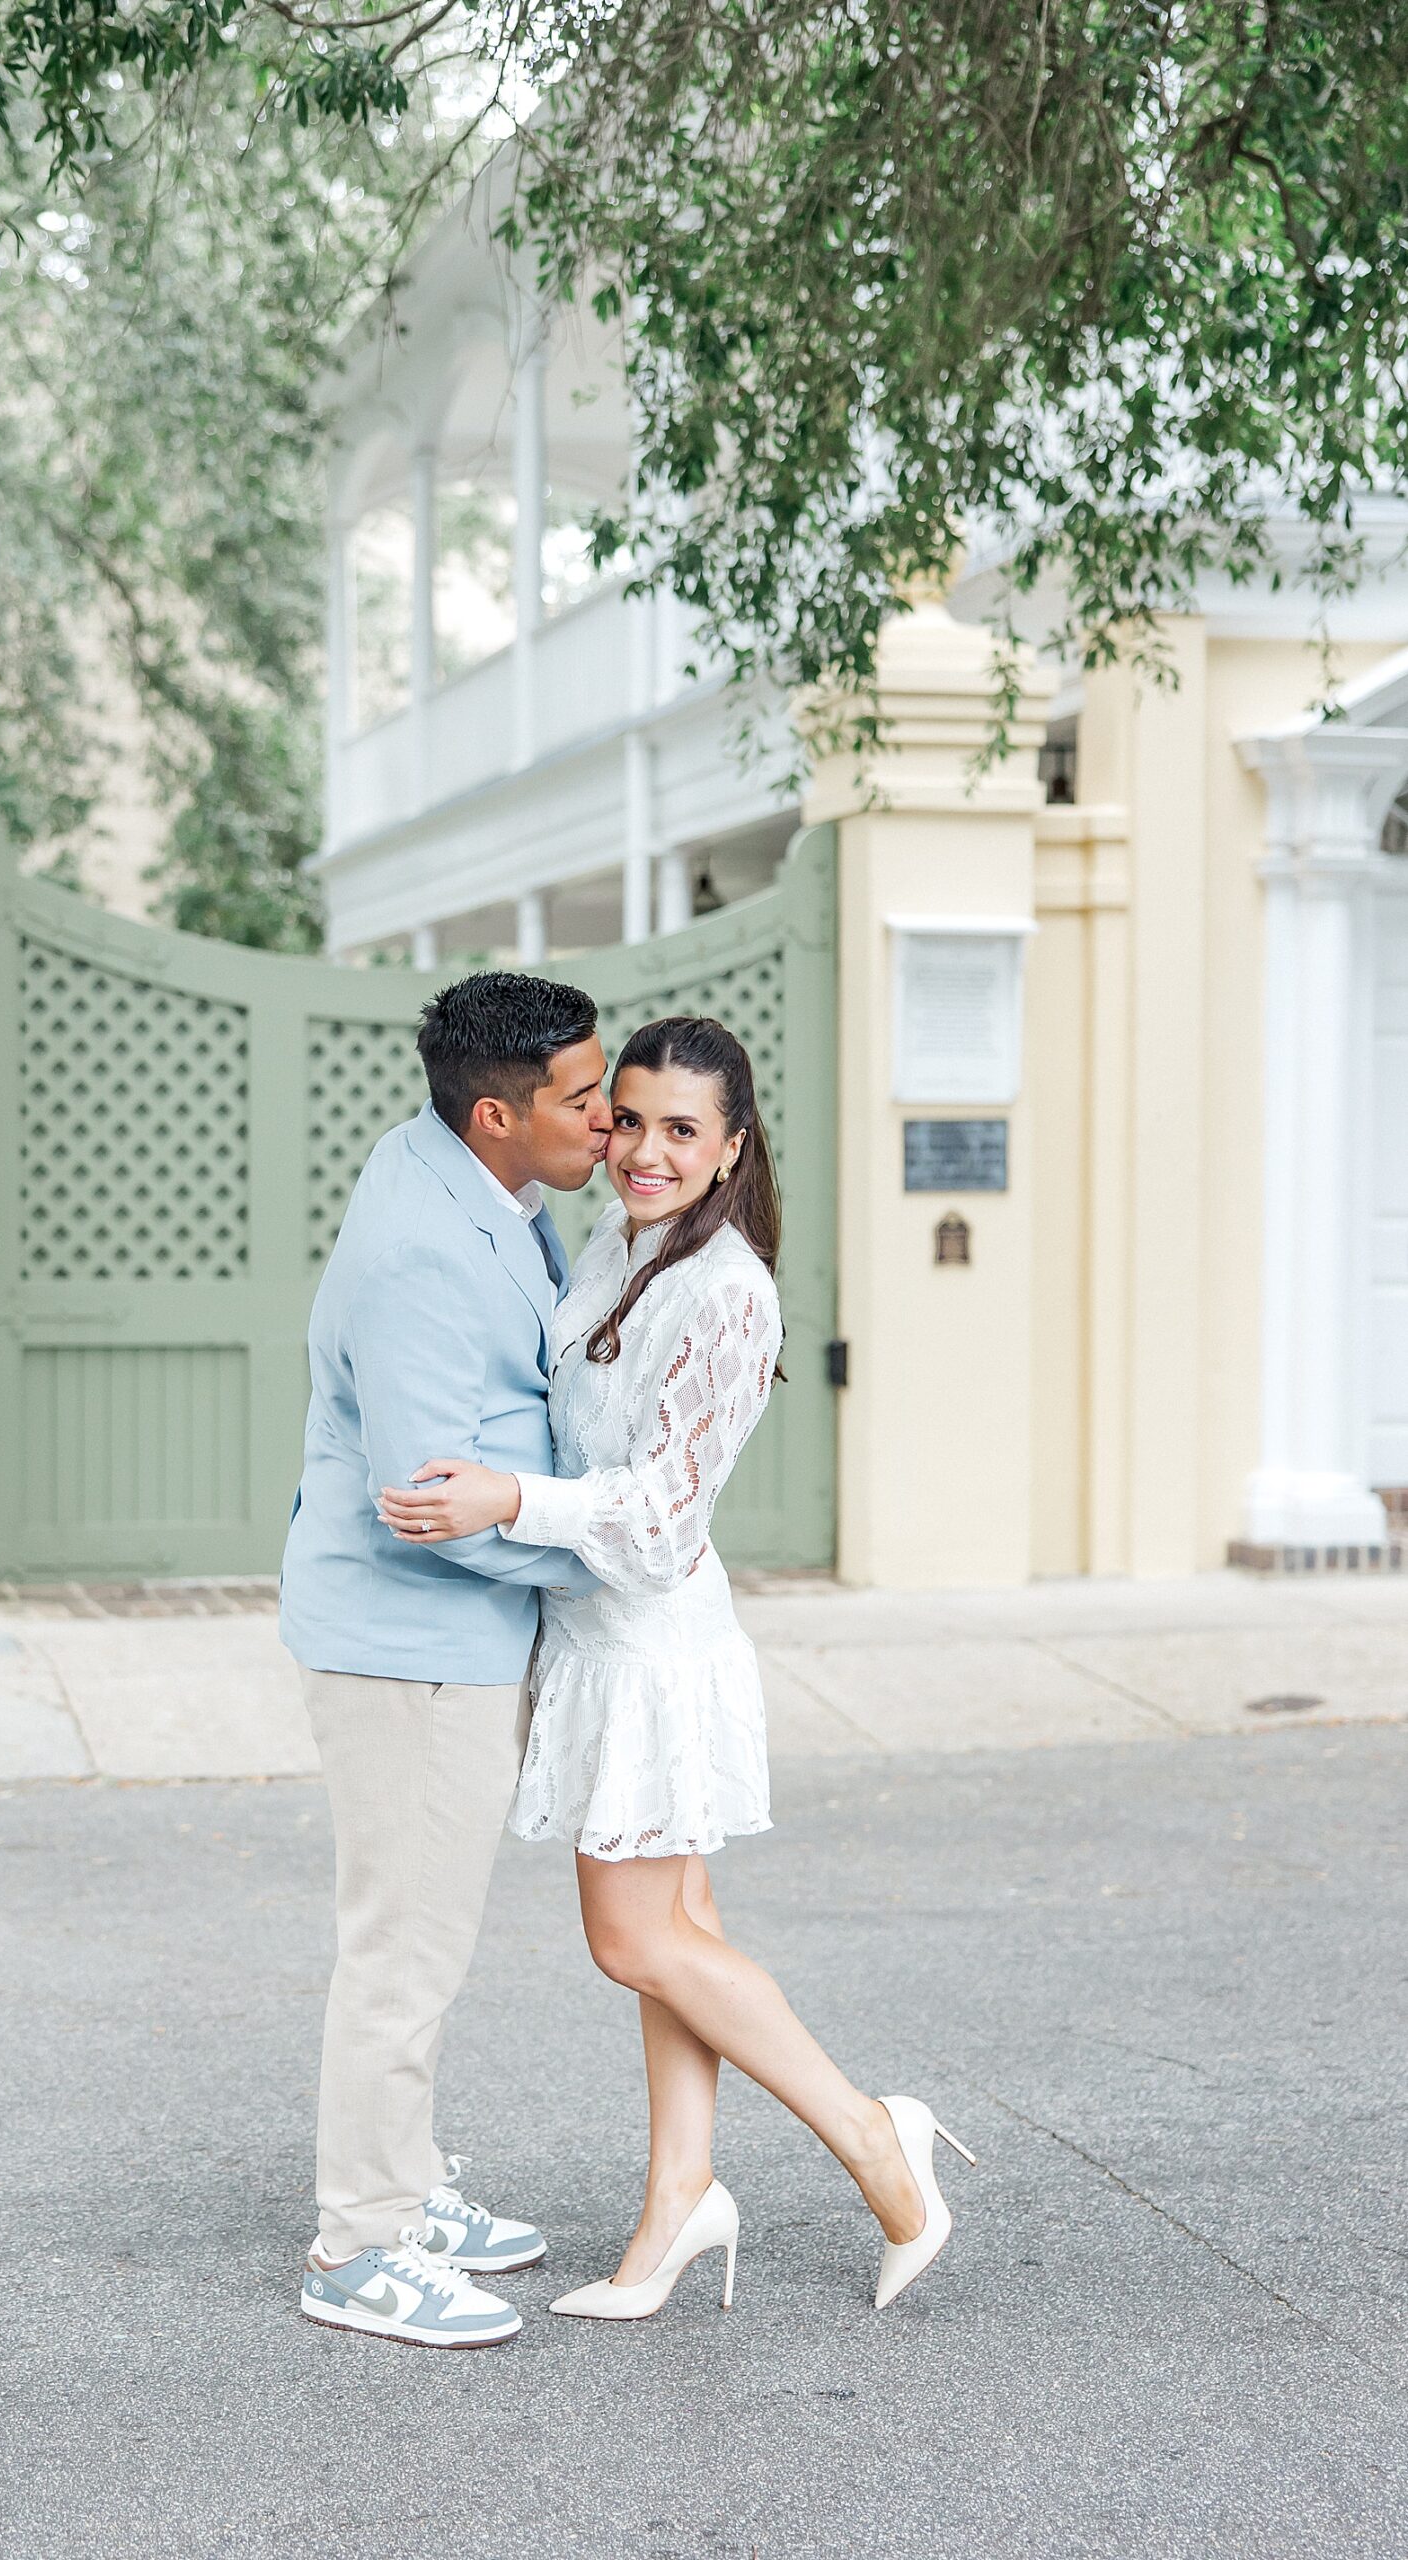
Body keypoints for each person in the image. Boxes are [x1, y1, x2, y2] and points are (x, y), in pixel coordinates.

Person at [381, 1015, 976, 2320]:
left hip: (652, 1649)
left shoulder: (729, 1294)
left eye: (680, 1131)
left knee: (633, 1940)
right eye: (630, 1119)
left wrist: (504, 1502)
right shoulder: (626, 1238)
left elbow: (655, 1525)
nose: (643, 1150)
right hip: (602, 1641)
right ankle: (679, 2205)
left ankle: (882, 2141)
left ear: (732, 1149)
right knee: (678, 1944)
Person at [279, 970, 613, 2348]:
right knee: (403, 1949)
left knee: (423, 1937)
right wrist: (598, 1552)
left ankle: (408, 2189)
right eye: (582, 1100)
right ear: (497, 1113)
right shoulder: (422, 1244)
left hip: (446, 1638)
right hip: (412, 1644)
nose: (609, 1120)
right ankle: (359, 2246)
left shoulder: (460, 1177)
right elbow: (427, 1499)